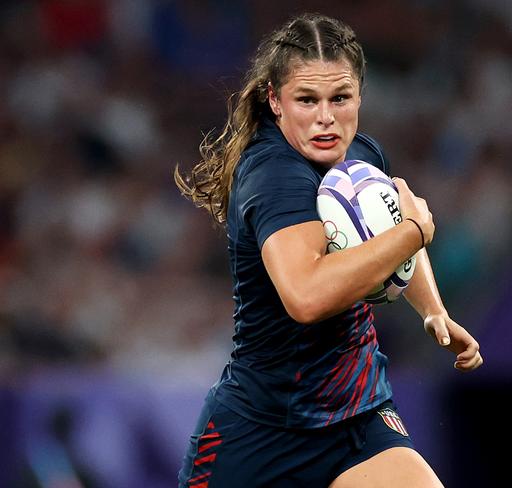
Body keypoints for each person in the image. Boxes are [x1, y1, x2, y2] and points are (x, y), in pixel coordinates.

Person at [174, 12, 482, 488]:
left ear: (360, 93)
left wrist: (432, 309)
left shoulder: (362, 155)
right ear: (275, 101)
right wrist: (413, 234)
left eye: (340, 98)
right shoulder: (274, 176)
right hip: (261, 435)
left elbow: (389, 234)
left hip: (358, 414)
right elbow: (307, 297)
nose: (325, 117)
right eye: (306, 100)